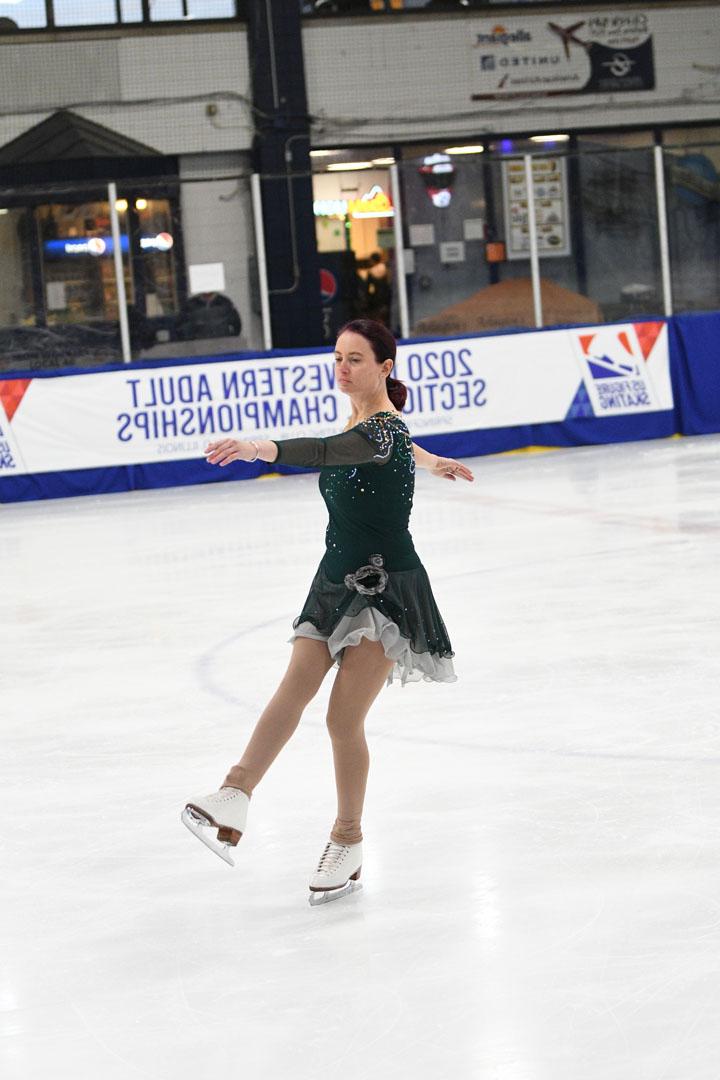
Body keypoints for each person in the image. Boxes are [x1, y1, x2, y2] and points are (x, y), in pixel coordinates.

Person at [182, 318, 474, 905]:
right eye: (338, 357)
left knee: (343, 719)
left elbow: (331, 450)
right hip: (334, 579)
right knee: (294, 685)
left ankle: (348, 839)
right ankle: (234, 792)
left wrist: (258, 448)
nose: (342, 368)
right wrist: (431, 458)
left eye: (356, 359)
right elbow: (376, 443)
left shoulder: (380, 428)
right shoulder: (374, 427)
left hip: (386, 586)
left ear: (385, 368)